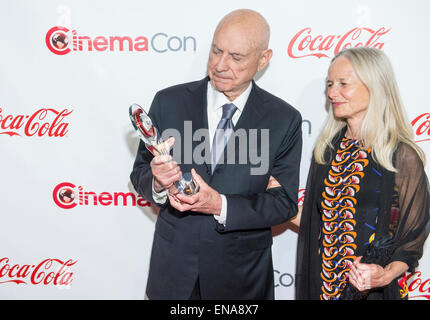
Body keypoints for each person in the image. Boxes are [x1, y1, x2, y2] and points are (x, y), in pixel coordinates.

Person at [130, 9, 302, 300]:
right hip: (173, 274)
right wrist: (158, 183)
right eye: (216, 51)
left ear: (263, 59)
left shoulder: (283, 119)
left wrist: (220, 205)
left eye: (236, 57)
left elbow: (283, 203)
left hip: (242, 280)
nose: (221, 65)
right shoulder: (169, 101)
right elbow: (141, 174)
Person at [295, 47, 430, 300]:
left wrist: (386, 274)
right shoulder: (327, 149)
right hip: (323, 288)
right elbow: (316, 223)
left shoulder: (401, 155)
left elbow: (412, 241)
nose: (332, 93)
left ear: (375, 86)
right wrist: (271, 197)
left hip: (373, 293)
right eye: (330, 84)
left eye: (343, 84)